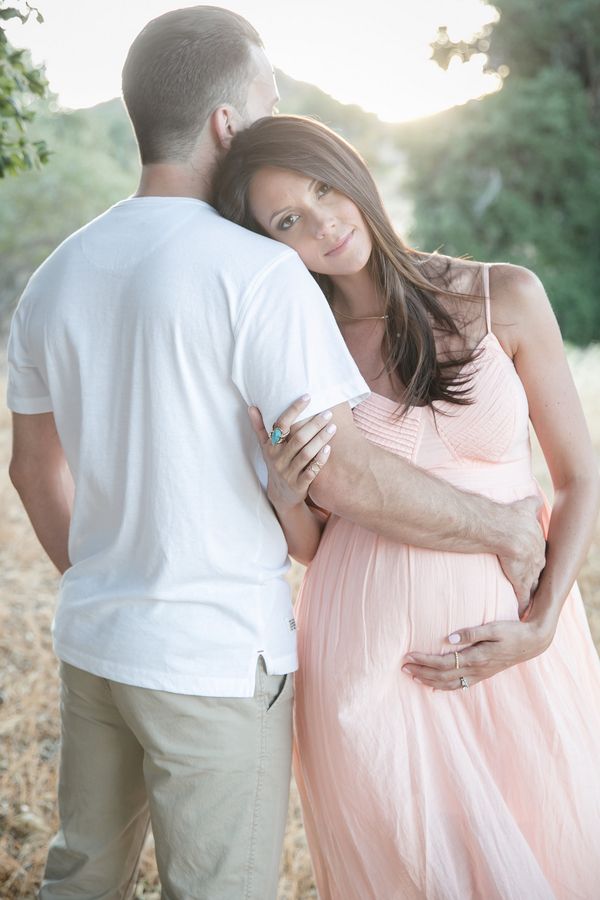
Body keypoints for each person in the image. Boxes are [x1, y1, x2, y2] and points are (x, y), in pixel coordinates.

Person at [6, 8, 545, 899]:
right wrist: (504, 526)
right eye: (267, 95)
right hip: (214, 660)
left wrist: (108, 578)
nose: (275, 109)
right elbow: (344, 471)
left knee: (79, 878)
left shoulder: (57, 273)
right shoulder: (255, 271)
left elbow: (32, 468)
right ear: (228, 123)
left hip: (97, 642)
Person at [214, 114, 600, 899]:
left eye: (325, 189)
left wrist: (542, 622)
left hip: (515, 646)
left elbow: (580, 479)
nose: (323, 224)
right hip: (367, 661)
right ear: (268, 241)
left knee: (543, 860)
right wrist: (287, 497)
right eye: (288, 219)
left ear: (353, 174)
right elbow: (319, 545)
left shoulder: (504, 296)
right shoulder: (300, 344)